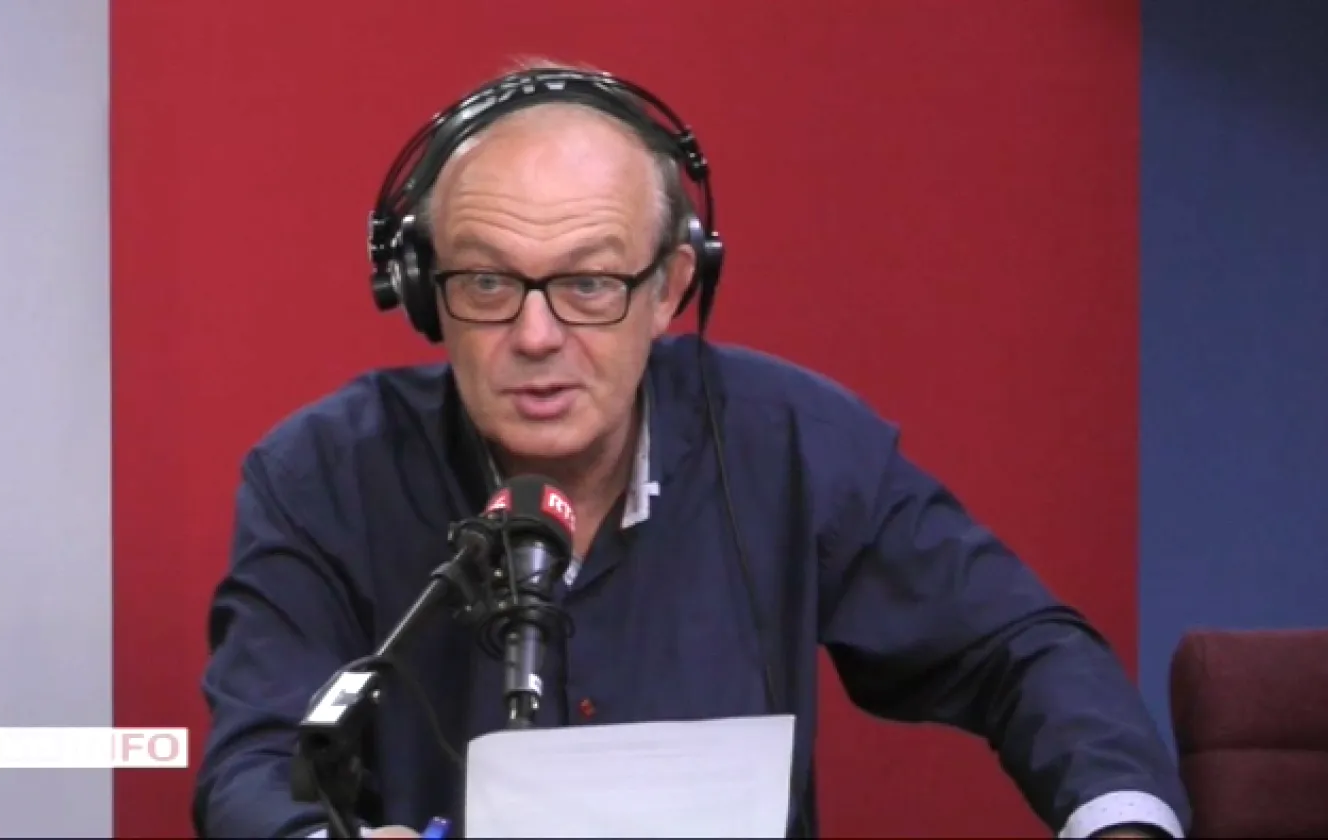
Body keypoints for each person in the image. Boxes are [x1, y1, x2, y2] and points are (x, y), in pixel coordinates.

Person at [192, 61, 1191, 839]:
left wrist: (1121, 822)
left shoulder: (789, 442)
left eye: (588, 284)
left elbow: (1021, 651)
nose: (535, 336)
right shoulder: (322, 475)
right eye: (487, 283)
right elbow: (253, 764)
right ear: (422, 293)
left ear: (670, 288)